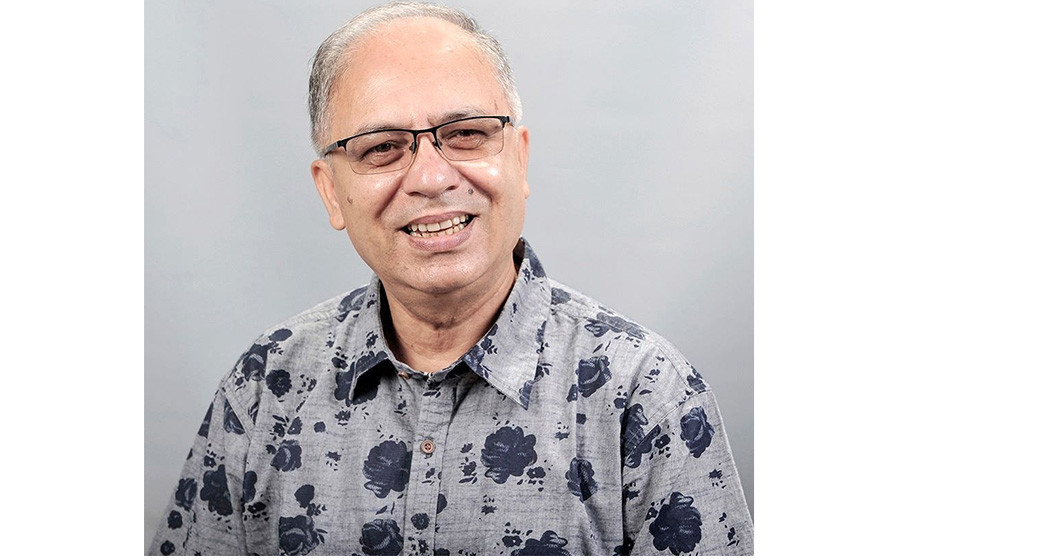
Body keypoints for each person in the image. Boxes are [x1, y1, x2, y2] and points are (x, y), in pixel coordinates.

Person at [149, 1, 753, 555]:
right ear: (331, 192)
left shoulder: (647, 395)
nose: (432, 178)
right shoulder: (266, 387)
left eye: (466, 134)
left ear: (519, 157)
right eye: (382, 147)